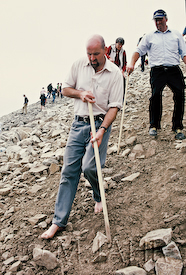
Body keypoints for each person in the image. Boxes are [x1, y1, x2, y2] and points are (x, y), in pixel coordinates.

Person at [41, 34, 123, 239]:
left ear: (105, 50)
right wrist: (80, 94)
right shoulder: (79, 65)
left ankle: (98, 195)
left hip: (100, 123)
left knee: (90, 167)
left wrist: (103, 130)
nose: (92, 58)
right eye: (89, 54)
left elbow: (114, 107)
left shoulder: (115, 73)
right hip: (78, 124)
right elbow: (66, 89)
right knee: (69, 171)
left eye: (96, 53)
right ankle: (58, 221)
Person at [127, 9, 186, 140]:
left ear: (166, 19)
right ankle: (153, 125)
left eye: (160, 19)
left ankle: (177, 127)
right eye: (156, 20)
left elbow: (184, 53)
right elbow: (138, 51)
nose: (158, 22)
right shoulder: (149, 36)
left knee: (180, 94)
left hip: (174, 69)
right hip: (157, 71)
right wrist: (131, 63)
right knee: (155, 96)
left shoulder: (176, 35)